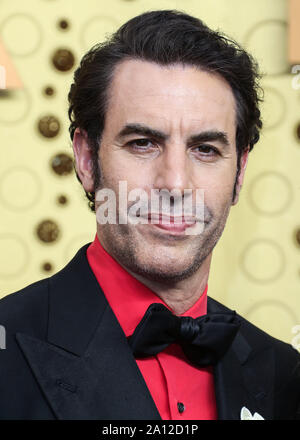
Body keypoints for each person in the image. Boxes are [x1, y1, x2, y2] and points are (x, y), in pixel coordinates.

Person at [0, 9, 299, 421]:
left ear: (240, 172)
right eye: (143, 143)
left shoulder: (286, 374)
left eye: (206, 149)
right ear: (87, 159)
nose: (175, 184)